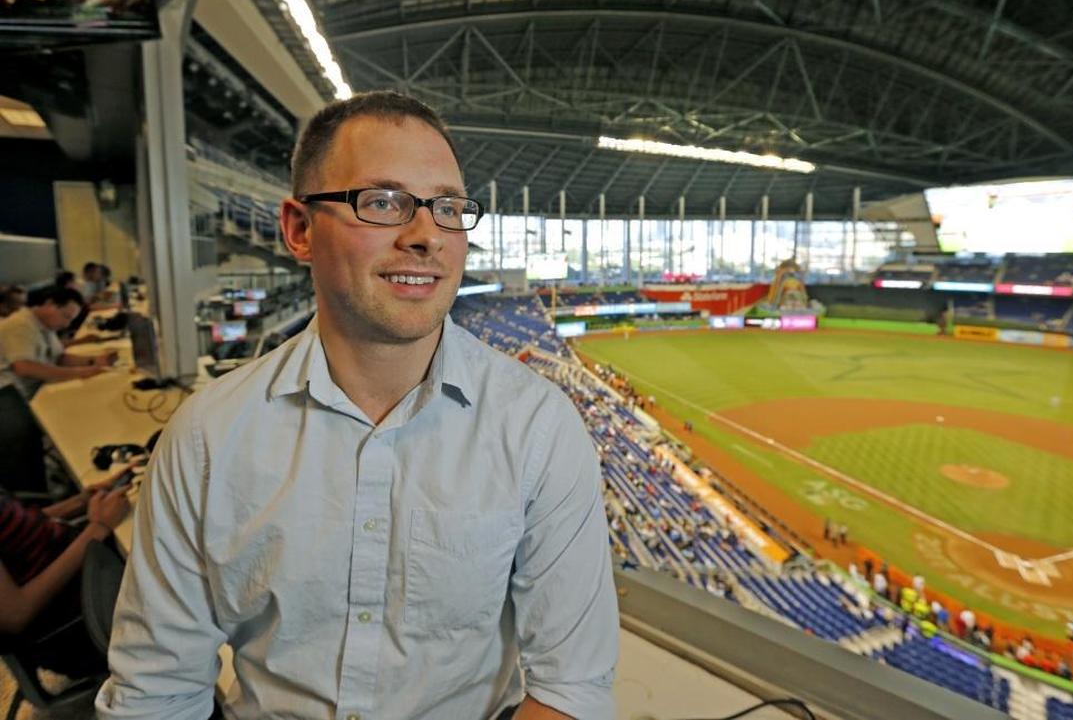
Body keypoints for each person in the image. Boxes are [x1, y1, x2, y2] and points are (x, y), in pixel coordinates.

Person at [97, 91, 619, 720]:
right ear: (298, 230)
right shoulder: (207, 435)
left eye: (448, 207)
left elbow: (571, 690)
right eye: (382, 202)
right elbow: (155, 692)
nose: (427, 235)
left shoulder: (538, 426)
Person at [1, 477, 131, 678]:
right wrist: (98, 528)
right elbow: (16, 614)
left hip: (92, 571)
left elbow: (17, 525)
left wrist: (80, 502)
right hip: (78, 628)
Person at [0, 285, 117, 398]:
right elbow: (24, 368)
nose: (66, 324)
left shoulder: (44, 324)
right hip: (16, 398)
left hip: (39, 389)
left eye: (70, 320)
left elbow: (59, 357)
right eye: (66, 316)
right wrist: (80, 372)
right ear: (49, 304)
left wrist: (95, 360)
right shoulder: (19, 324)